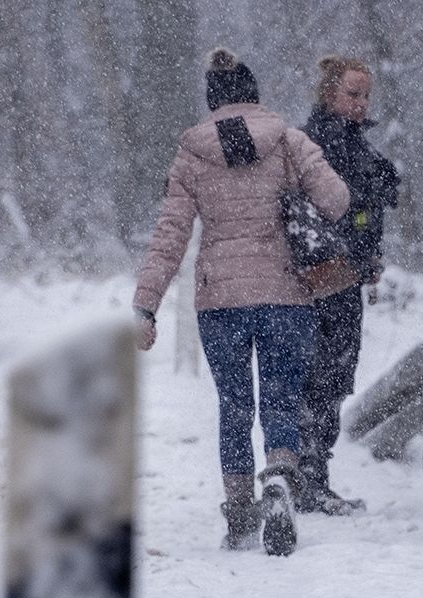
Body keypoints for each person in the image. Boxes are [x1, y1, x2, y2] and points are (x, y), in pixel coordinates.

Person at [133, 49, 350, 550]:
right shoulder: (290, 141)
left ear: (212, 102)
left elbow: (170, 237)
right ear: (254, 95)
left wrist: (145, 306)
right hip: (284, 294)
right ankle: (279, 477)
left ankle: (237, 513)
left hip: (220, 302)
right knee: (279, 396)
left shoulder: (191, 154)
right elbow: (336, 201)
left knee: (234, 406)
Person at [295, 55, 402, 516]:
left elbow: (366, 207)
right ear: (329, 95)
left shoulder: (353, 143)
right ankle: (306, 478)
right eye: (352, 94)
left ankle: (309, 476)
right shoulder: (314, 144)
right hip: (320, 279)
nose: (360, 104)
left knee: (332, 378)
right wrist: (357, 247)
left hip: (345, 276)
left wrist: (368, 250)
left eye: (365, 96)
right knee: (318, 378)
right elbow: (324, 214)